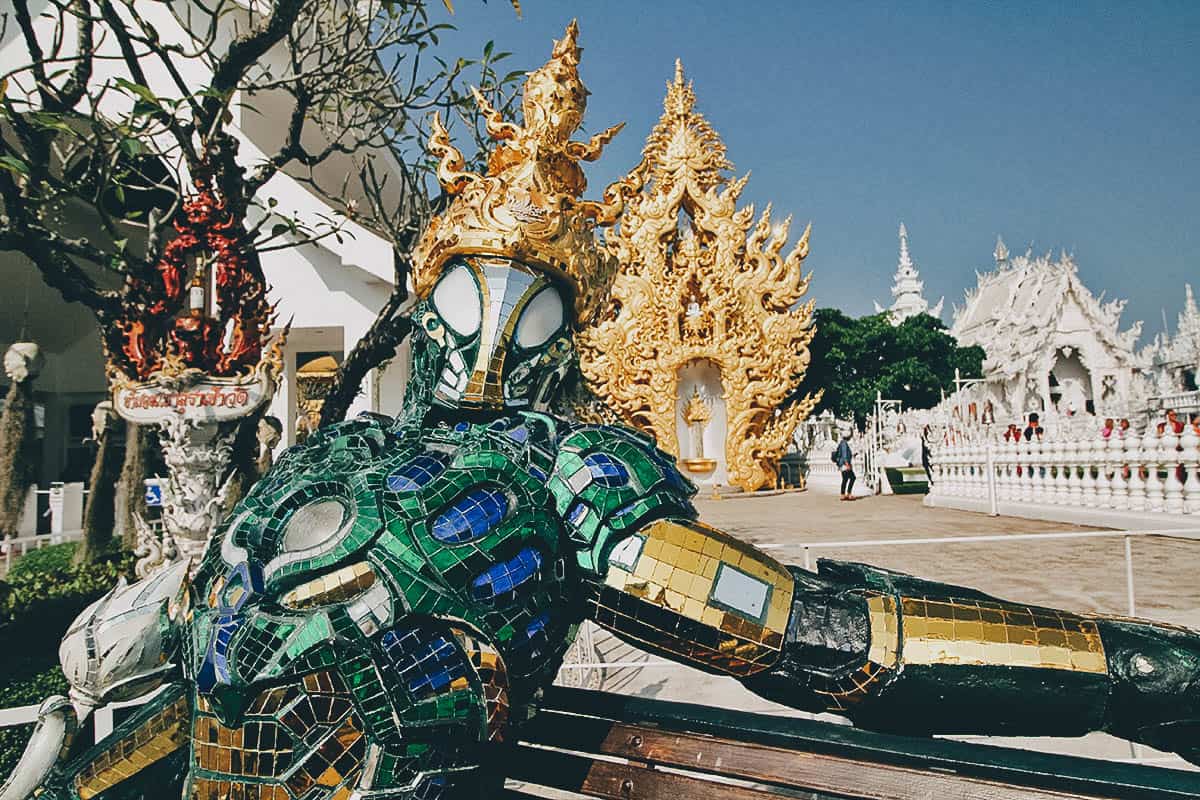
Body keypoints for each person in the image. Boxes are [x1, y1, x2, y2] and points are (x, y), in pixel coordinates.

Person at [19, 25, 1200, 800]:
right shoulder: (345, 449)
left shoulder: (575, 480)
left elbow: (824, 635)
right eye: (468, 297)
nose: (487, 335)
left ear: (569, 334)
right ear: (426, 297)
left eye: (530, 311)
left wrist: (1136, 670)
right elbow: (192, 629)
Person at [836, 430, 856, 500]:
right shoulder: (844, 443)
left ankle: (843, 494)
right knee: (853, 478)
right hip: (845, 464)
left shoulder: (842, 443)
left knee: (845, 479)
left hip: (842, 464)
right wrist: (847, 464)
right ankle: (848, 494)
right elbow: (844, 455)